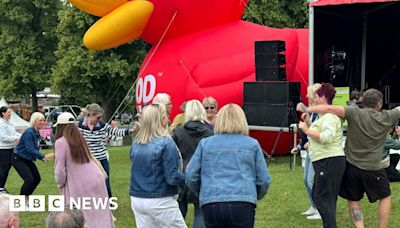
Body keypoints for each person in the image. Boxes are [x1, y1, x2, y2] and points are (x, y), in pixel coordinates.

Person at [297, 88, 400, 228]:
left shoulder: (354, 112)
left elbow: (328, 108)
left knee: (354, 200)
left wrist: (307, 108)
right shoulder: (388, 116)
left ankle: (360, 227)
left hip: (351, 167)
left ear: (363, 102)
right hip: (374, 168)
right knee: (385, 196)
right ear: (380, 104)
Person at [186, 104, 271, 228]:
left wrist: (204, 191)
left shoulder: (206, 144)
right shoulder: (252, 144)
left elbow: (190, 175)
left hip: (212, 202)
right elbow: (263, 179)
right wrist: (254, 195)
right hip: (243, 202)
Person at [130, 104, 187, 228]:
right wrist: (186, 178)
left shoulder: (136, 144)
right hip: (160, 198)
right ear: (160, 119)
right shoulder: (166, 143)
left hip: (137, 198)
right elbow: (172, 177)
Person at [54, 112, 114, 228]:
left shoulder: (60, 142)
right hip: (97, 179)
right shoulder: (81, 139)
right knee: (100, 211)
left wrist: (60, 183)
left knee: (81, 216)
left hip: (80, 184)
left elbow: (59, 171)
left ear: (60, 127)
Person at [298, 83, 345, 228]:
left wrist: (306, 130)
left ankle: (329, 225)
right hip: (325, 160)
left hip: (330, 160)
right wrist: (309, 123)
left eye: (317, 95)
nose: (313, 98)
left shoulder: (330, 117)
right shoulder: (323, 116)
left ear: (323, 97)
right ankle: (328, 224)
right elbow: (319, 131)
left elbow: (326, 137)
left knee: (322, 198)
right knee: (322, 197)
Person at [78, 103, 133, 199]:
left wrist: (130, 131)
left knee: (105, 182)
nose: (99, 120)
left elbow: (115, 132)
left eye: (101, 117)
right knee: (88, 183)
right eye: (98, 117)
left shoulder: (102, 125)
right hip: (88, 160)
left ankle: (109, 203)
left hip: (102, 159)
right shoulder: (80, 125)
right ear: (91, 115)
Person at [172, 100, 213, 228]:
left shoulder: (178, 132)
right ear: (202, 111)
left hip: (182, 176)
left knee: (178, 214)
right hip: (202, 176)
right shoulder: (209, 133)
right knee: (200, 213)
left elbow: (172, 155)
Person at [290, 83, 321, 220]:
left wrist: (307, 120)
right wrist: (300, 146)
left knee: (312, 180)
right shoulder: (312, 111)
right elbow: (306, 134)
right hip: (310, 150)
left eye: (309, 94)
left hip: (318, 151)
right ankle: (314, 206)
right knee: (306, 180)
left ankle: (320, 210)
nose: (307, 96)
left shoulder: (321, 113)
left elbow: (317, 132)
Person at [12, 112, 54, 200]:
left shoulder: (37, 132)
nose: (42, 122)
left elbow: (34, 148)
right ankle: (22, 200)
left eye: (43, 120)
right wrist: (43, 156)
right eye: (40, 120)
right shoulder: (29, 132)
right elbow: (30, 149)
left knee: (37, 179)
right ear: (34, 121)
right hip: (18, 158)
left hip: (27, 159)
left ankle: (27, 197)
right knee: (29, 180)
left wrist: (40, 157)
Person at [0, 106, 22, 193]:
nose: (10, 114)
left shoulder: (9, 122)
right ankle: (0, 188)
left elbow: (14, 133)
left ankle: (1, 187)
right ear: (3, 113)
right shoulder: (1, 123)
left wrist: (22, 136)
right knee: (3, 168)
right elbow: (3, 137)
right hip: (3, 149)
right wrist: (16, 139)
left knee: (7, 168)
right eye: (8, 112)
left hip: (10, 148)